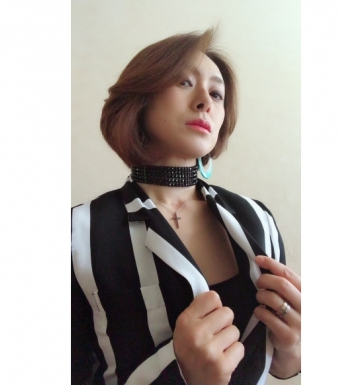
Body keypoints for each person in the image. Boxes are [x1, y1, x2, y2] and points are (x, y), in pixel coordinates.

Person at [71, 28, 301, 385]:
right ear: (140, 97)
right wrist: (180, 375)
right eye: (184, 82)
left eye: (217, 93)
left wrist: (293, 352)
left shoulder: (258, 220)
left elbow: (278, 363)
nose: (205, 101)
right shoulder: (79, 233)